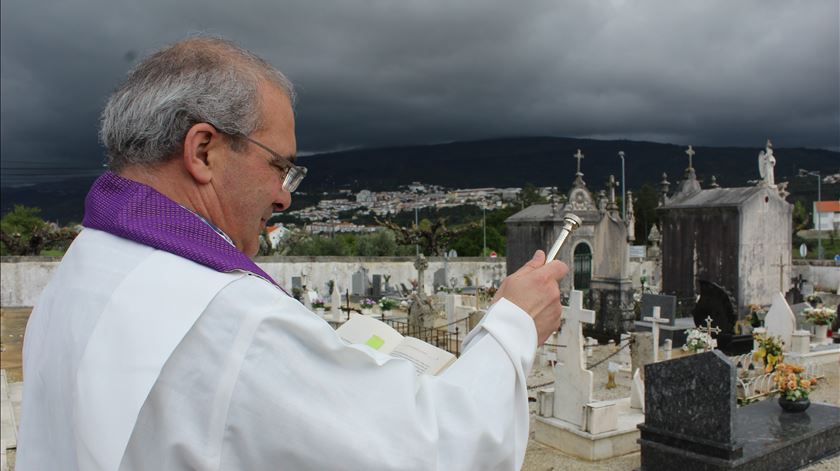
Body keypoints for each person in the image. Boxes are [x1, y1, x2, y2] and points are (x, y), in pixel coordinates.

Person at [16, 37, 569, 471]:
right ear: (203, 150)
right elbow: (438, 451)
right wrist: (513, 326)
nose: (284, 195)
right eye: (279, 166)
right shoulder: (225, 318)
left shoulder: (88, 264)